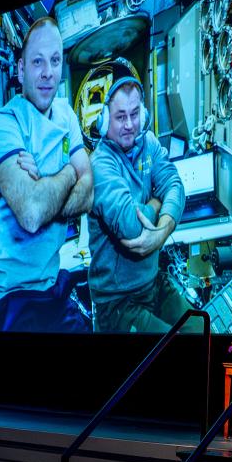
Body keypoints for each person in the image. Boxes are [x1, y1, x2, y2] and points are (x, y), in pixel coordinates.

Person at [0, 16, 93, 332]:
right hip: (10, 295)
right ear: (20, 69)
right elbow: (31, 213)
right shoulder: (3, 126)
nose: (47, 72)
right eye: (37, 62)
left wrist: (45, 181)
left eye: (55, 61)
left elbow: (90, 191)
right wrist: (71, 170)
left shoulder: (66, 114)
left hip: (50, 282)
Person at [88, 77, 192, 333]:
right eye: (120, 116)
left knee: (204, 333)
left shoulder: (150, 143)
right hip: (117, 301)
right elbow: (132, 226)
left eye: (135, 114)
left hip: (153, 283)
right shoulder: (101, 163)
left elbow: (175, 186)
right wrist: (157, 202)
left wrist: (161, 233)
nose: (129, 125)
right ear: (104, 122)